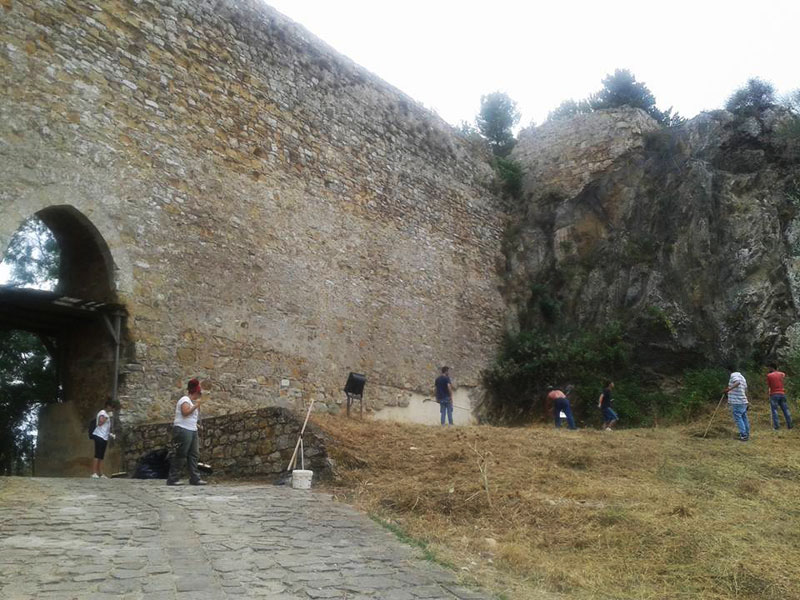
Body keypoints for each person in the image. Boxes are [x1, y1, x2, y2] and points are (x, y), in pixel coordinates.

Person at [166, 378, 207, 485]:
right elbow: (185, 413)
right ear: (196, 392)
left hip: (192, 429)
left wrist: (197, 425)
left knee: (194, 454)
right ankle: (173, 478)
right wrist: (196, 406)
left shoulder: (190, 402)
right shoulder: (184, 400)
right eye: (199, 393)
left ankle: (195, 478)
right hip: (183, 429)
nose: (200, 395)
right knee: (181, 453)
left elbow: (190, 418)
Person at [90, 398, 117, 478]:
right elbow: (100, 423)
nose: (112, 409)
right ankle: (94, 472)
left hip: (104, 437)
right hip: (99, 436)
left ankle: (101, 473)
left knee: (101, 456)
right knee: (97, 455)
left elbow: (105, 428)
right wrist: (107, 416)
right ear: (108, 406)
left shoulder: (106, 414)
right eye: (111, 407)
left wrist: (110, 434)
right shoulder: (102, 412)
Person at [723, 366, 750, 441]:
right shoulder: (742, 377)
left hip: (737, 401)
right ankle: (746, 433)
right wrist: (747, 401)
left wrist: (728, 389)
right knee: (744, 418)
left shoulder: (734, 375)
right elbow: (746, 390)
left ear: (729, 371)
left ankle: (743, 435)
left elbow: (737, 382)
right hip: (743, 401)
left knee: (738, 418)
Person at [766, 363, 792, 430]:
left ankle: (776, 426)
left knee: (774, 410)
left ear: (772, 368)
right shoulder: (781, 374)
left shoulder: (769, 375)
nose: (768, 369)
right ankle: (790, 425)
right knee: (786, 410)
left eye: (769, 368)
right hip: (782, 393)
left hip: (774, 394)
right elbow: (784, 376)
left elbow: (769, 385)